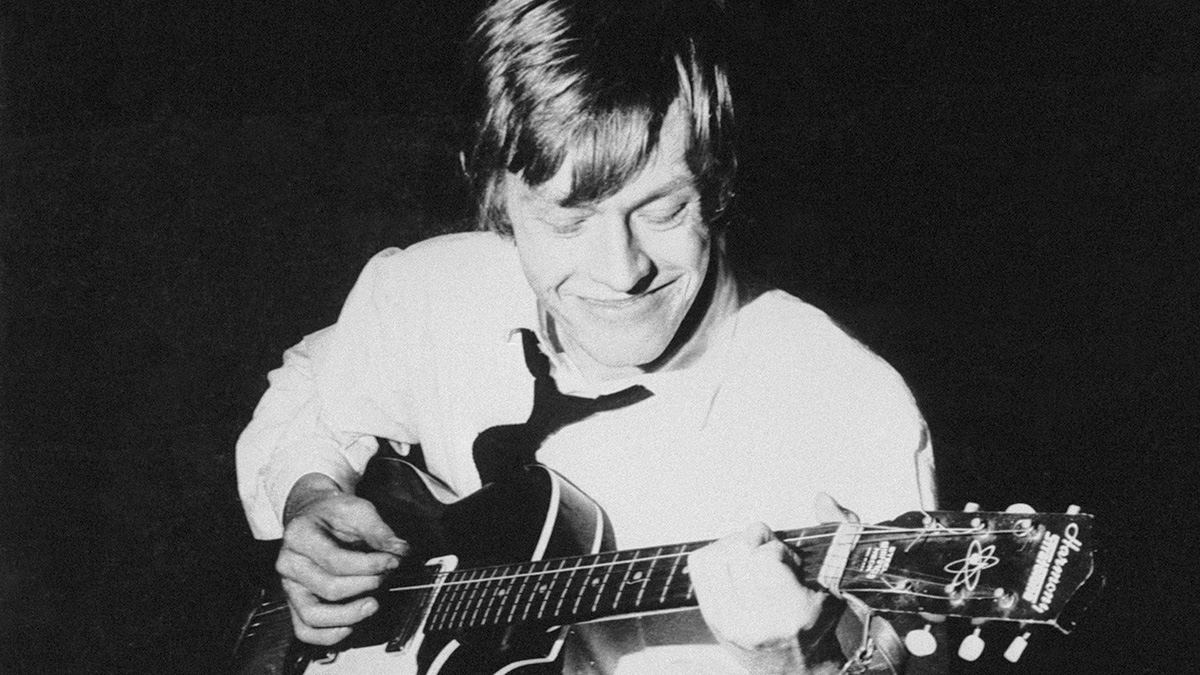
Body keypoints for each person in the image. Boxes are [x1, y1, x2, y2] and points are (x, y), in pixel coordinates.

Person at [236, 1, 937, 673]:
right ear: (497, 200)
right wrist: (309, 495)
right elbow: (313, 388)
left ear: (717, 182)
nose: (621, 272)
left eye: (663, 211)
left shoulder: (851, 410)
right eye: (567, 221)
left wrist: (800, 657)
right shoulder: (434, 290)